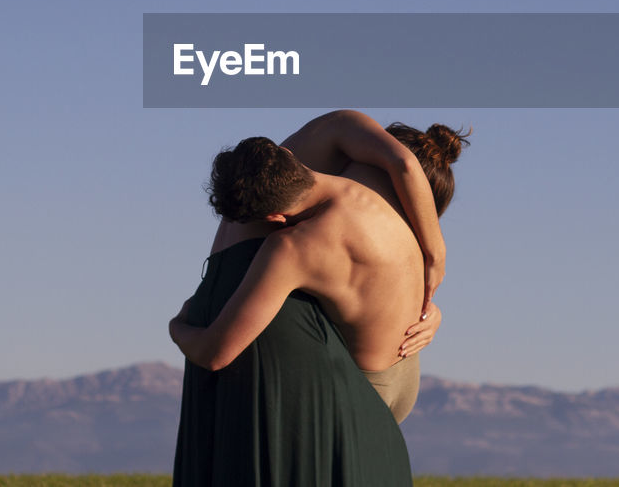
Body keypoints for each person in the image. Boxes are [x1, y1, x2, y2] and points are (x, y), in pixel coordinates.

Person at [170, 112, 467, 487]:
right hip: (401, 372)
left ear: (277, 217)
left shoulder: (296, 245)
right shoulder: (371, 195)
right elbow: (404, 168)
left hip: (368, 380)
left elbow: (216, 352)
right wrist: (433, 277)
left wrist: (178, 326)